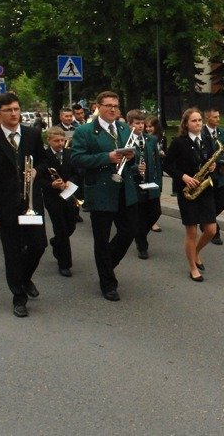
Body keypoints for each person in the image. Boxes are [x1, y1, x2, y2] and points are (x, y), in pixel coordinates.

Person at [0, 92, 47, 318]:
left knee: (38, 246)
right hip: (6, 205)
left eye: (16, 109)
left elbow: (45, 161)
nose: (14, 113)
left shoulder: (33, 134)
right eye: (8, 110)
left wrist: (37, 170)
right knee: (13, 252)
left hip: (31, 202)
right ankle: (19, 297)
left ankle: (25, 278)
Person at [70, 90, 138, 302]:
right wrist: (106, 157)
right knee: (102, 238)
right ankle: (108, 283)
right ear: (98, 107)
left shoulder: (124, 128)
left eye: (116, 106)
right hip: (100, 190)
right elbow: (77, 158)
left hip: (124, 189)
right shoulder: (85, 131)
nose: (113, 109)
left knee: (129, 231)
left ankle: (106, 263)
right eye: (108, 105)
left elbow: (133, 154)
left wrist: (132, 157)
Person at [163, 108, 217, 281]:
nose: (198, 123)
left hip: (205, 189)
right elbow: (167, 165)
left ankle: (196, 252)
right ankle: (193, 267)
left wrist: (212, 167)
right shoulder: (179, 142)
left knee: (211, 230)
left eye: (200, 120)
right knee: (192, 232)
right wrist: (183, 177)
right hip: (187, 192)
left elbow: (209, 160)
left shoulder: (207, 140)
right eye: (194, 120)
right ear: (186, 124)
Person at [38, 126, 78, 277]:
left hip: (69, 195)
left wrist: (70, 181)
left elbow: (77, 173)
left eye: (62, 140)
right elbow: (39, 179)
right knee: (61, 229)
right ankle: (64, 263)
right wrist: (51, 184)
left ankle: (56, 242)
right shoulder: (43, 156)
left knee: (71, 226)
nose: (60, 143)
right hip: (53, 198)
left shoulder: (69, 153)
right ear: (49, 141)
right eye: (56, 141)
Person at [128, 110, 162, 260]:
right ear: (130, 125)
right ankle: (142, 245)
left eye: (142, 123)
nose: (141, 126)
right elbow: (122, 165)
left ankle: (140, 234)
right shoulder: (126, 140)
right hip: (135, 185)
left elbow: (157, 163)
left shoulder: (151, 139)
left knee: (156, 212)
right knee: (140, 215)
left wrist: (159, 184)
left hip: (150, 183)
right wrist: (136, 168)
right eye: (137, 123)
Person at [203, 108, 224, 245]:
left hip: (219, 173)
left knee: (222, 202)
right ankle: (214, 231)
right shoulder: (201, 132)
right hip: (206, 174)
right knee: (210, 204)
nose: (218, 119)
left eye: (218, 116)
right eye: (215, 117)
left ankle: (205, 220)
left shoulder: (223, 132)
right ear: (207, 118)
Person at [145, 114, 165, 233]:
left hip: (158, 169)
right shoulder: (145, 139)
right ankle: (151, 222)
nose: (148, 129)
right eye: (146, 126)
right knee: (150, 197)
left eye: (150, 126)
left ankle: (151, 219)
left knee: (157, 194)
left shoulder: (161, 138)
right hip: (148, 171)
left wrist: (162, 154)